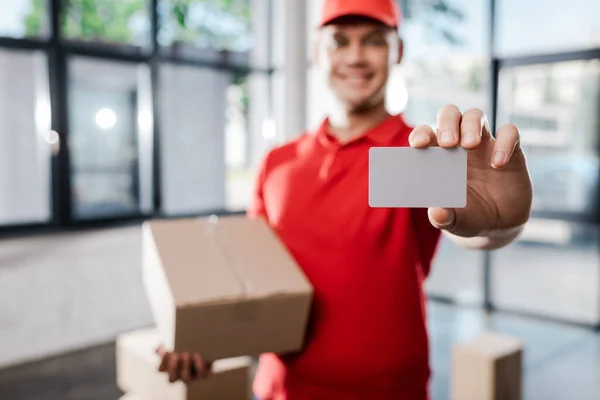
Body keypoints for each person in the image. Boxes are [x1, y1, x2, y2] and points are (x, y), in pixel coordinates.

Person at [156, 0, 533, 399]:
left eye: (373, 41)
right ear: (318, 52)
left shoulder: (420, 154)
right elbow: (253, 281)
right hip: (280, 389)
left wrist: (499, 222)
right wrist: (205, 335)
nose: (355, 57)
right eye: (339, 41)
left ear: (397, 51)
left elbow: (472, 230)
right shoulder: (278, 163)